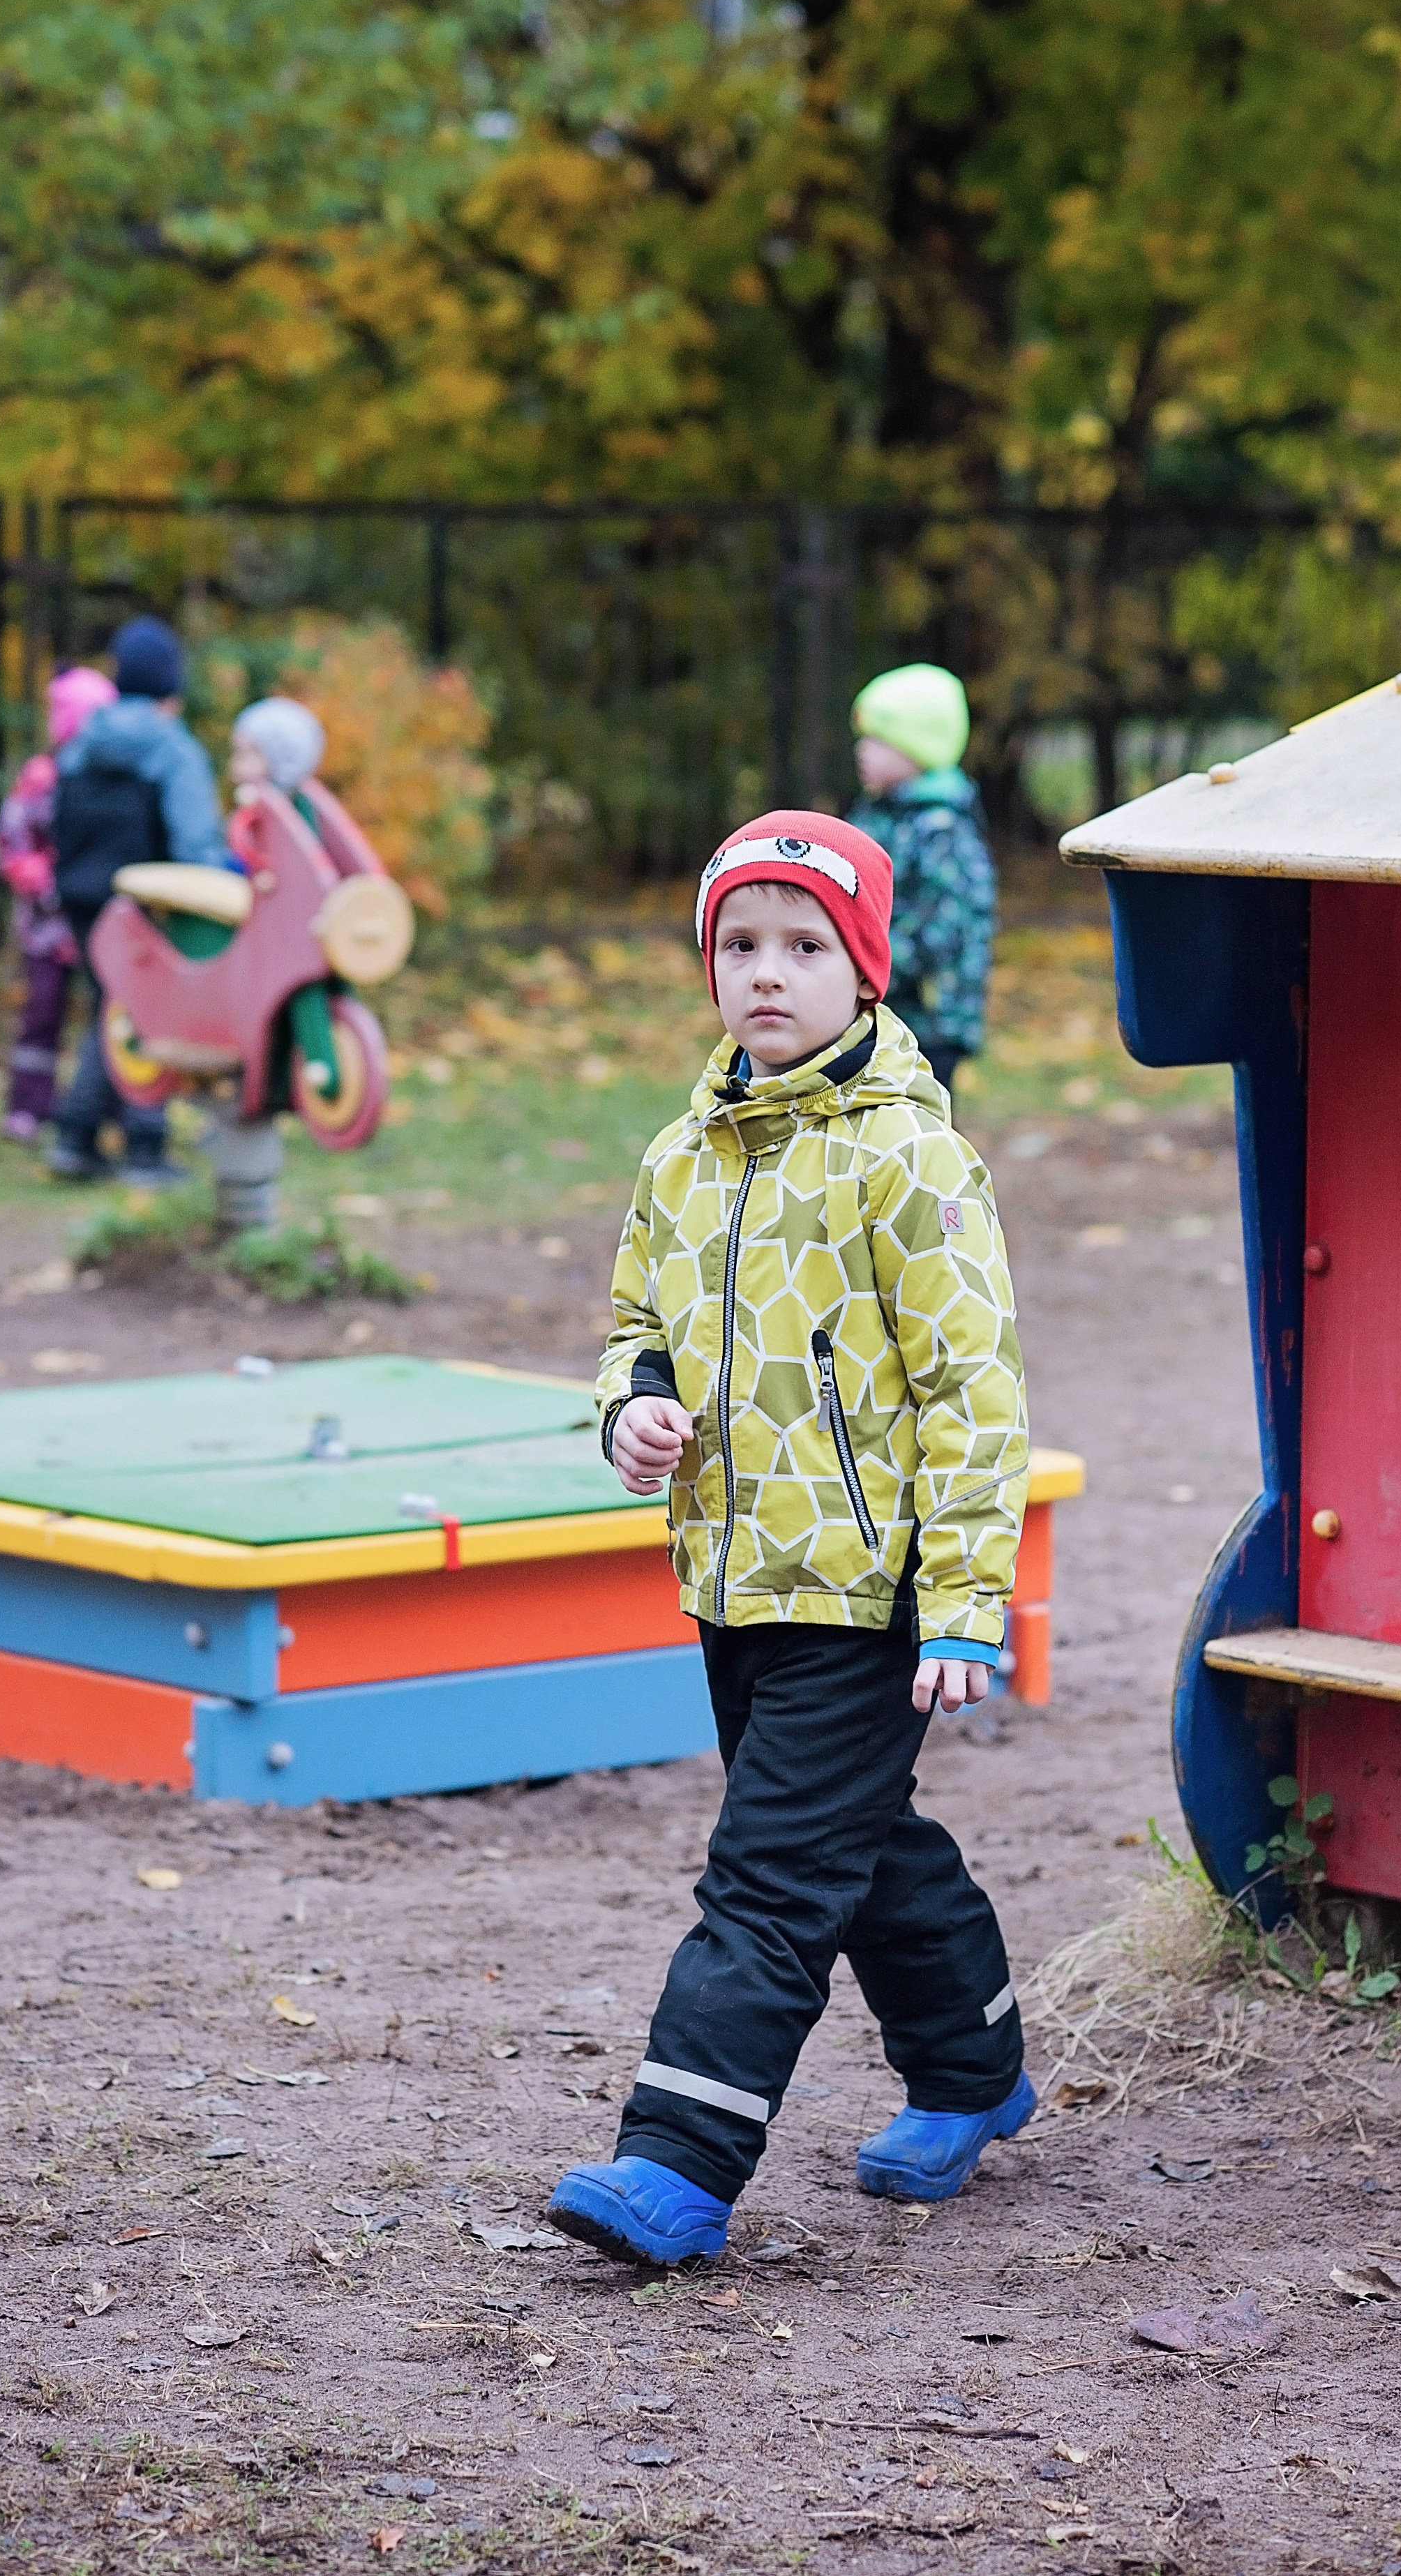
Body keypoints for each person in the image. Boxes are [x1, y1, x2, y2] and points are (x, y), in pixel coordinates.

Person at [545, 810, 1033, 2267]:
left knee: (764, 1876)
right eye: (740, 945)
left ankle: (676, 2162)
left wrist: (961, 1600)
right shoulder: (682, 1156)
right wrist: (633, 1405)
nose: (768, 974)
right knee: (855, 1846)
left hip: (866, 1589)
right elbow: (638, 1325)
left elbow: (972, 1392)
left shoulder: (911, 1161)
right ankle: (975, 2068)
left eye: (804, 945)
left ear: (864, 970)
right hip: (733, 1577)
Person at [46, 617, 232, 1184]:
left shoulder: (82, 743)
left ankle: (78, 1137)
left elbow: (57, 822)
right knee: (142, 1011)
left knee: (112, 1006)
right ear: (171, 687)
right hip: (146, 905)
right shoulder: (174, 751)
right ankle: (143, 1146)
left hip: (81, 898)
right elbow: (197, 843)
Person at [848, 663, 996, 1094]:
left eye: (878, 740)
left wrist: (862, 968)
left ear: (918, 749)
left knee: (920, 1127)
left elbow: (942, 930)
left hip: (929, 1019)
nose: (863, 750)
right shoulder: (877, 816)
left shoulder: (941, 829)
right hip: (881, 1007)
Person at [0, 665, 116, 1143]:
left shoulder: (105, 779)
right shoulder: (43, 779)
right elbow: (12, 841)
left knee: (106, 1012)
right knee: (42, 1016)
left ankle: (99, 1106)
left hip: (95, 923)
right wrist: (44, 884)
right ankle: (29, 1107)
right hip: (48, 927)